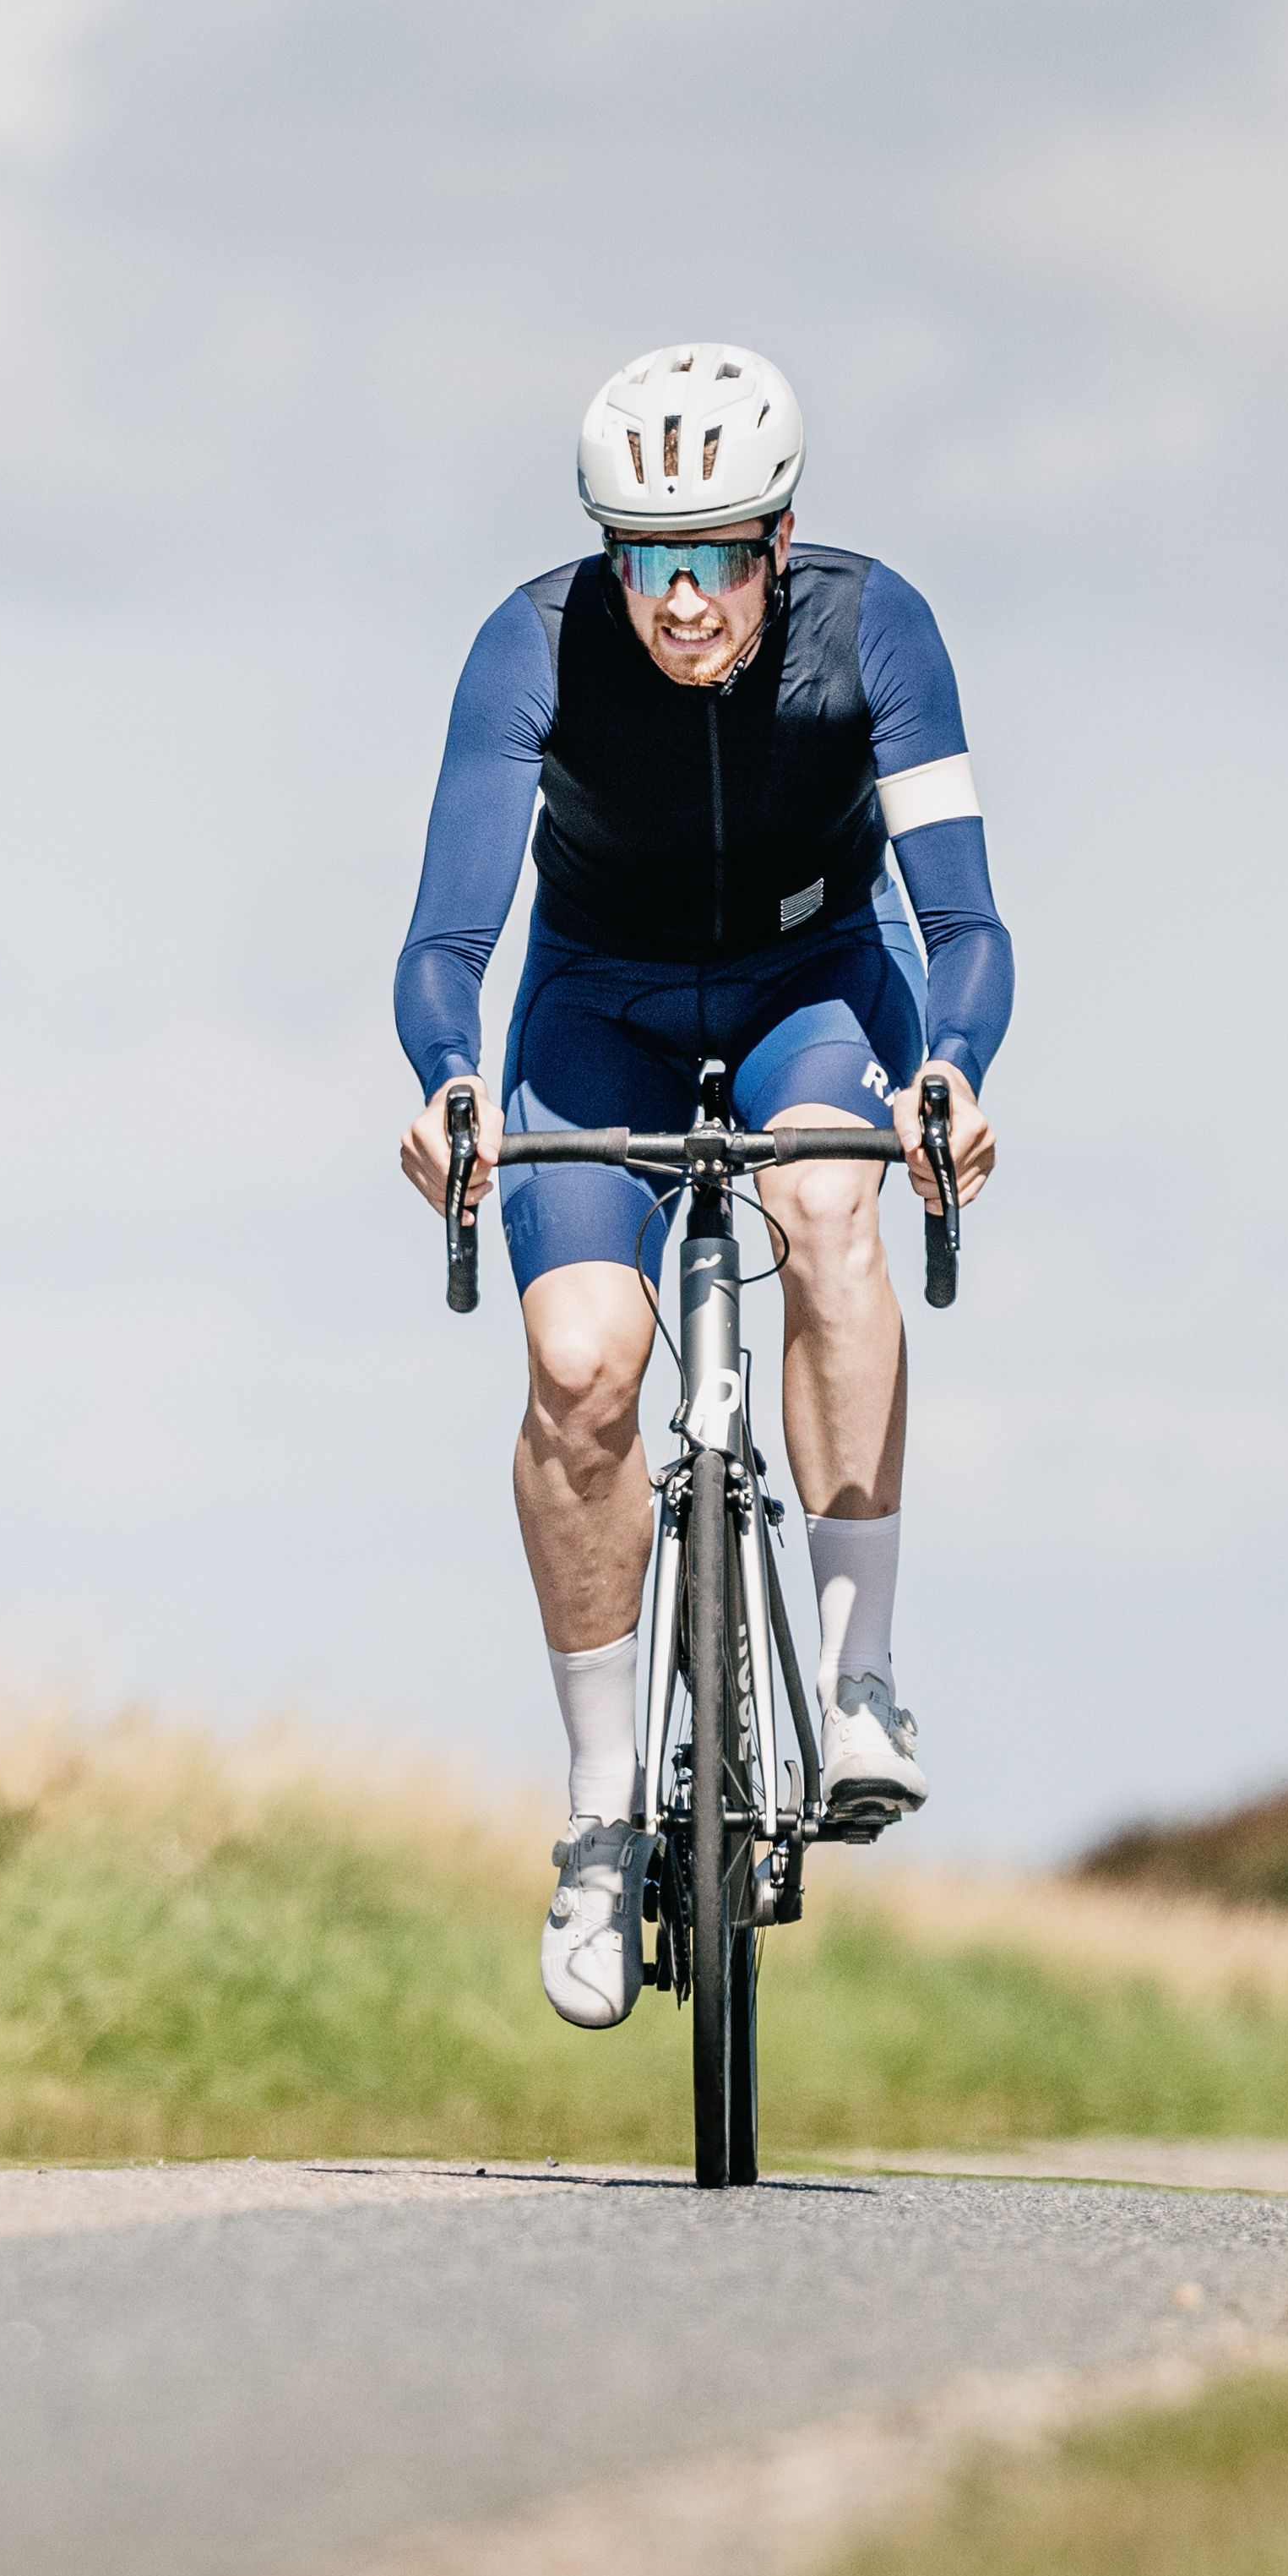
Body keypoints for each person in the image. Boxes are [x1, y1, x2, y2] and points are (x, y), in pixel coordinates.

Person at [388, 342, 1007, 2030]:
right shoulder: (529, 644)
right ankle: (598, 1820)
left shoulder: (878, 628)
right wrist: (448, 1083)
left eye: (712, 555)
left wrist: (947, 1072)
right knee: (584, 1368)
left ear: (777, 540)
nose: (675, 602)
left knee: (822, 1201)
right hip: (597, 1005)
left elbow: (965, 928)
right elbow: (447, 941)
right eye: (642, 558)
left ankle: (857, 1674)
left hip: (814, 987)